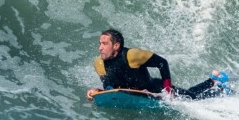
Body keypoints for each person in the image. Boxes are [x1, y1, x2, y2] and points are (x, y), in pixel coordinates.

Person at [85, 29, 230, 101]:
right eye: (100, 44)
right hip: (137, 93)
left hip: (155, 88)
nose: (100, 48)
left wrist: (167, 90)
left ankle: (217, 85)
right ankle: (213, 81)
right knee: (190, 94)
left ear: (116, 45)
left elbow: (162, 63)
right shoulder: (99, 63)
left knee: (192, 98)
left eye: (104, 44)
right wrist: (98, 93)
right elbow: (110, 87)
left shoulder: (132, 55)